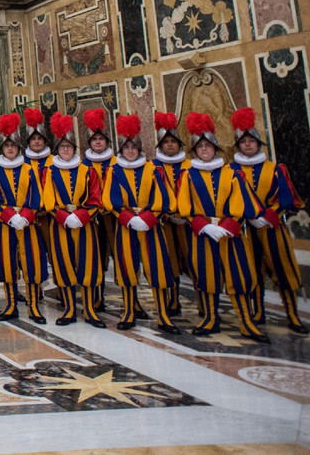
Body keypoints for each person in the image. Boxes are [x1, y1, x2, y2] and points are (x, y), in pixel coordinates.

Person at [179, 113, 269, 343]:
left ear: (215, 148)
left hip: (231, 235)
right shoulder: (188, 175)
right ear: (195, 151)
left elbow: (244, 204)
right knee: (207, 277)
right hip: (203, 234)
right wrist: (205, 226)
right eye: (200, 147)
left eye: (208, 146)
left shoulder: (232, 173)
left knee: (238, 276)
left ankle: (246, 321)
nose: (204, 150)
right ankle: (210, 318)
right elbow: (185, 207)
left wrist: (228, 226)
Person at [230, 107, 307, 334]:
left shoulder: (274, 169)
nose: (247, 144)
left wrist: (268, 216)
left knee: (283, 269)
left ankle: (292, 314)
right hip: (246, 228)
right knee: (251, 270)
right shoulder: (232, 170)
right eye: (243, 142)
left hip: (272, 227)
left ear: (258, 143)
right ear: (238, 145)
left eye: (251, 141)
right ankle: (257, 312)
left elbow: (286, 198)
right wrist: (250, 217)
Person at [102, 114, 180, 334]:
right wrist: (129, 218)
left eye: (133, 147)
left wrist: (147, 218)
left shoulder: (154, 169)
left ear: (139, 148)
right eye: (126, 147)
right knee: (127, 268)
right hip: (125, 226)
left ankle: (163, 315)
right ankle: (129, 311)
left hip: (151, 226)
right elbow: (111, 199)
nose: (129, 151)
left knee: (157, 269)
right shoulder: (114, 171)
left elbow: (163, 198)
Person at [43, 113, 106, 328]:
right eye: (62, 147)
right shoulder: (49, 172)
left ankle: (89, 309)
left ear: (75, 149)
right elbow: (48, 200)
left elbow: (96, 199)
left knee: (88, 265)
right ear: (57, 150)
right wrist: (63, 216)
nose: (66, 150)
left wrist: (81, 216)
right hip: (59, 225)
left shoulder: (87, 171)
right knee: (64, 264)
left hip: (85, 225)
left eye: (69, 147)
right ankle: (69, 308)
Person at [0, 114, 46, 323]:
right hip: (5, 223)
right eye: (6, 145)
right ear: (2, 148)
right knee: (7, 263)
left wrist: (26, 216)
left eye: (13, 145)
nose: (10, 149)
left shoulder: (29, 170)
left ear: (19, 148)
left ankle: (33, 306)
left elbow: (36, 197)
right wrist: (10, 216)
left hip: (27, 224)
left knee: (31, 262)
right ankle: (11, 304)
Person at [153, 112, 191, 317]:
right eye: (165, 142)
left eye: (173, 141)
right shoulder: (154, 167)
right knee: (170, 260)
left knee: (193, 261)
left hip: (189, 222)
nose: (169, 145)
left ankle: (205, 304)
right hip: (165, 222)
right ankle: (173, 299)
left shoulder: (190, 166)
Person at [82, 108, 116, 311]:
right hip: (93, 219)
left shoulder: (116, 163)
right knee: (96, 257)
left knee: (123, 259)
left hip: (115, 218)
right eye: (94, 140)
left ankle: (133, 301)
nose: (97, 142)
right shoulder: (83, 165)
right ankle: (97, 296)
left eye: (101, 139)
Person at [22, 108, 54, 306]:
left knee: (55, 251)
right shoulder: (22, 162)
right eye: (33, 139)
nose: (36, 142)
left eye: (39, 139)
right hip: (30, 215)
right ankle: (34, 288)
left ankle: (62, 285)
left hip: (51, 215)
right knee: (31, 253)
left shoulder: (55, 161)